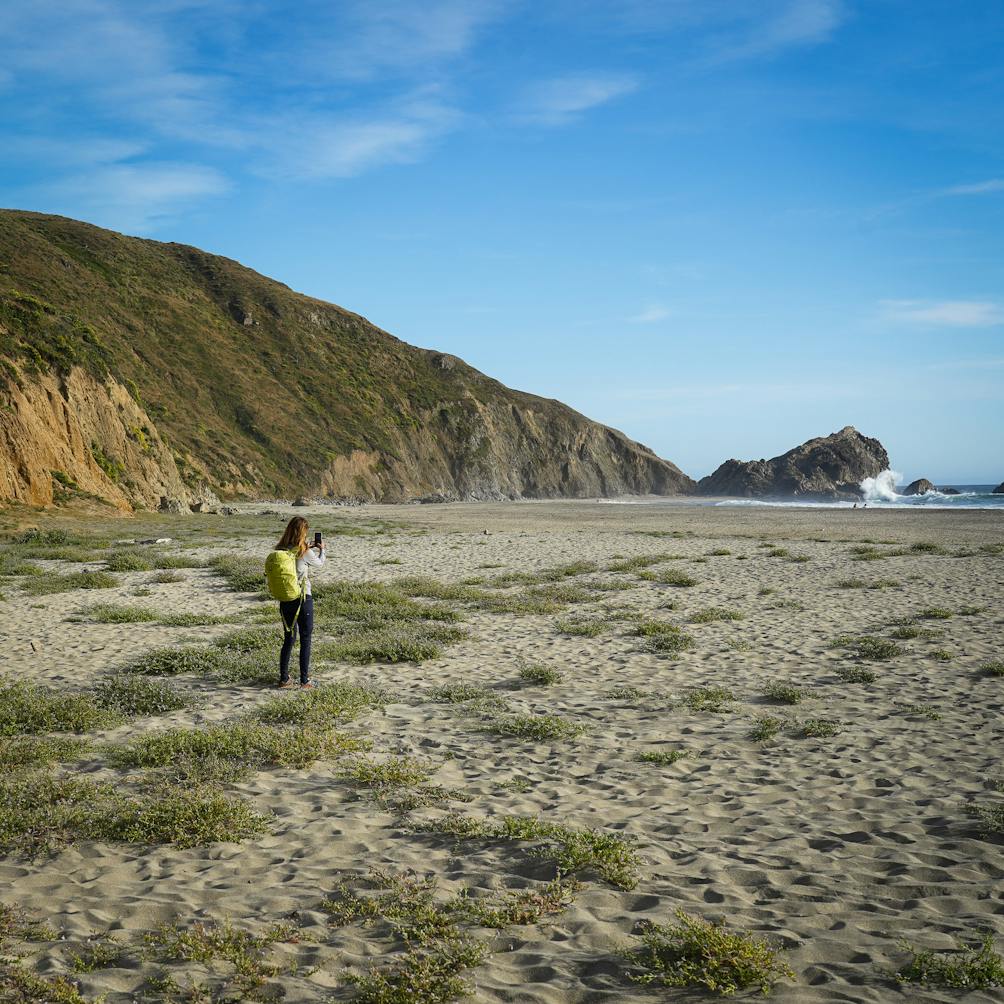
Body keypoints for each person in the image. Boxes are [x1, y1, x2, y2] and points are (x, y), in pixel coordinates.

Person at [274, 516, 325, 689]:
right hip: (303, 598)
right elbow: (319, 564)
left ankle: (284, 679)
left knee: (289, 638)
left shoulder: (281, 550)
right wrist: (321, 550)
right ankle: (304, 681)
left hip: (286, 598)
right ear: (303, 533)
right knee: (306, 638)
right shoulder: (305, 551)